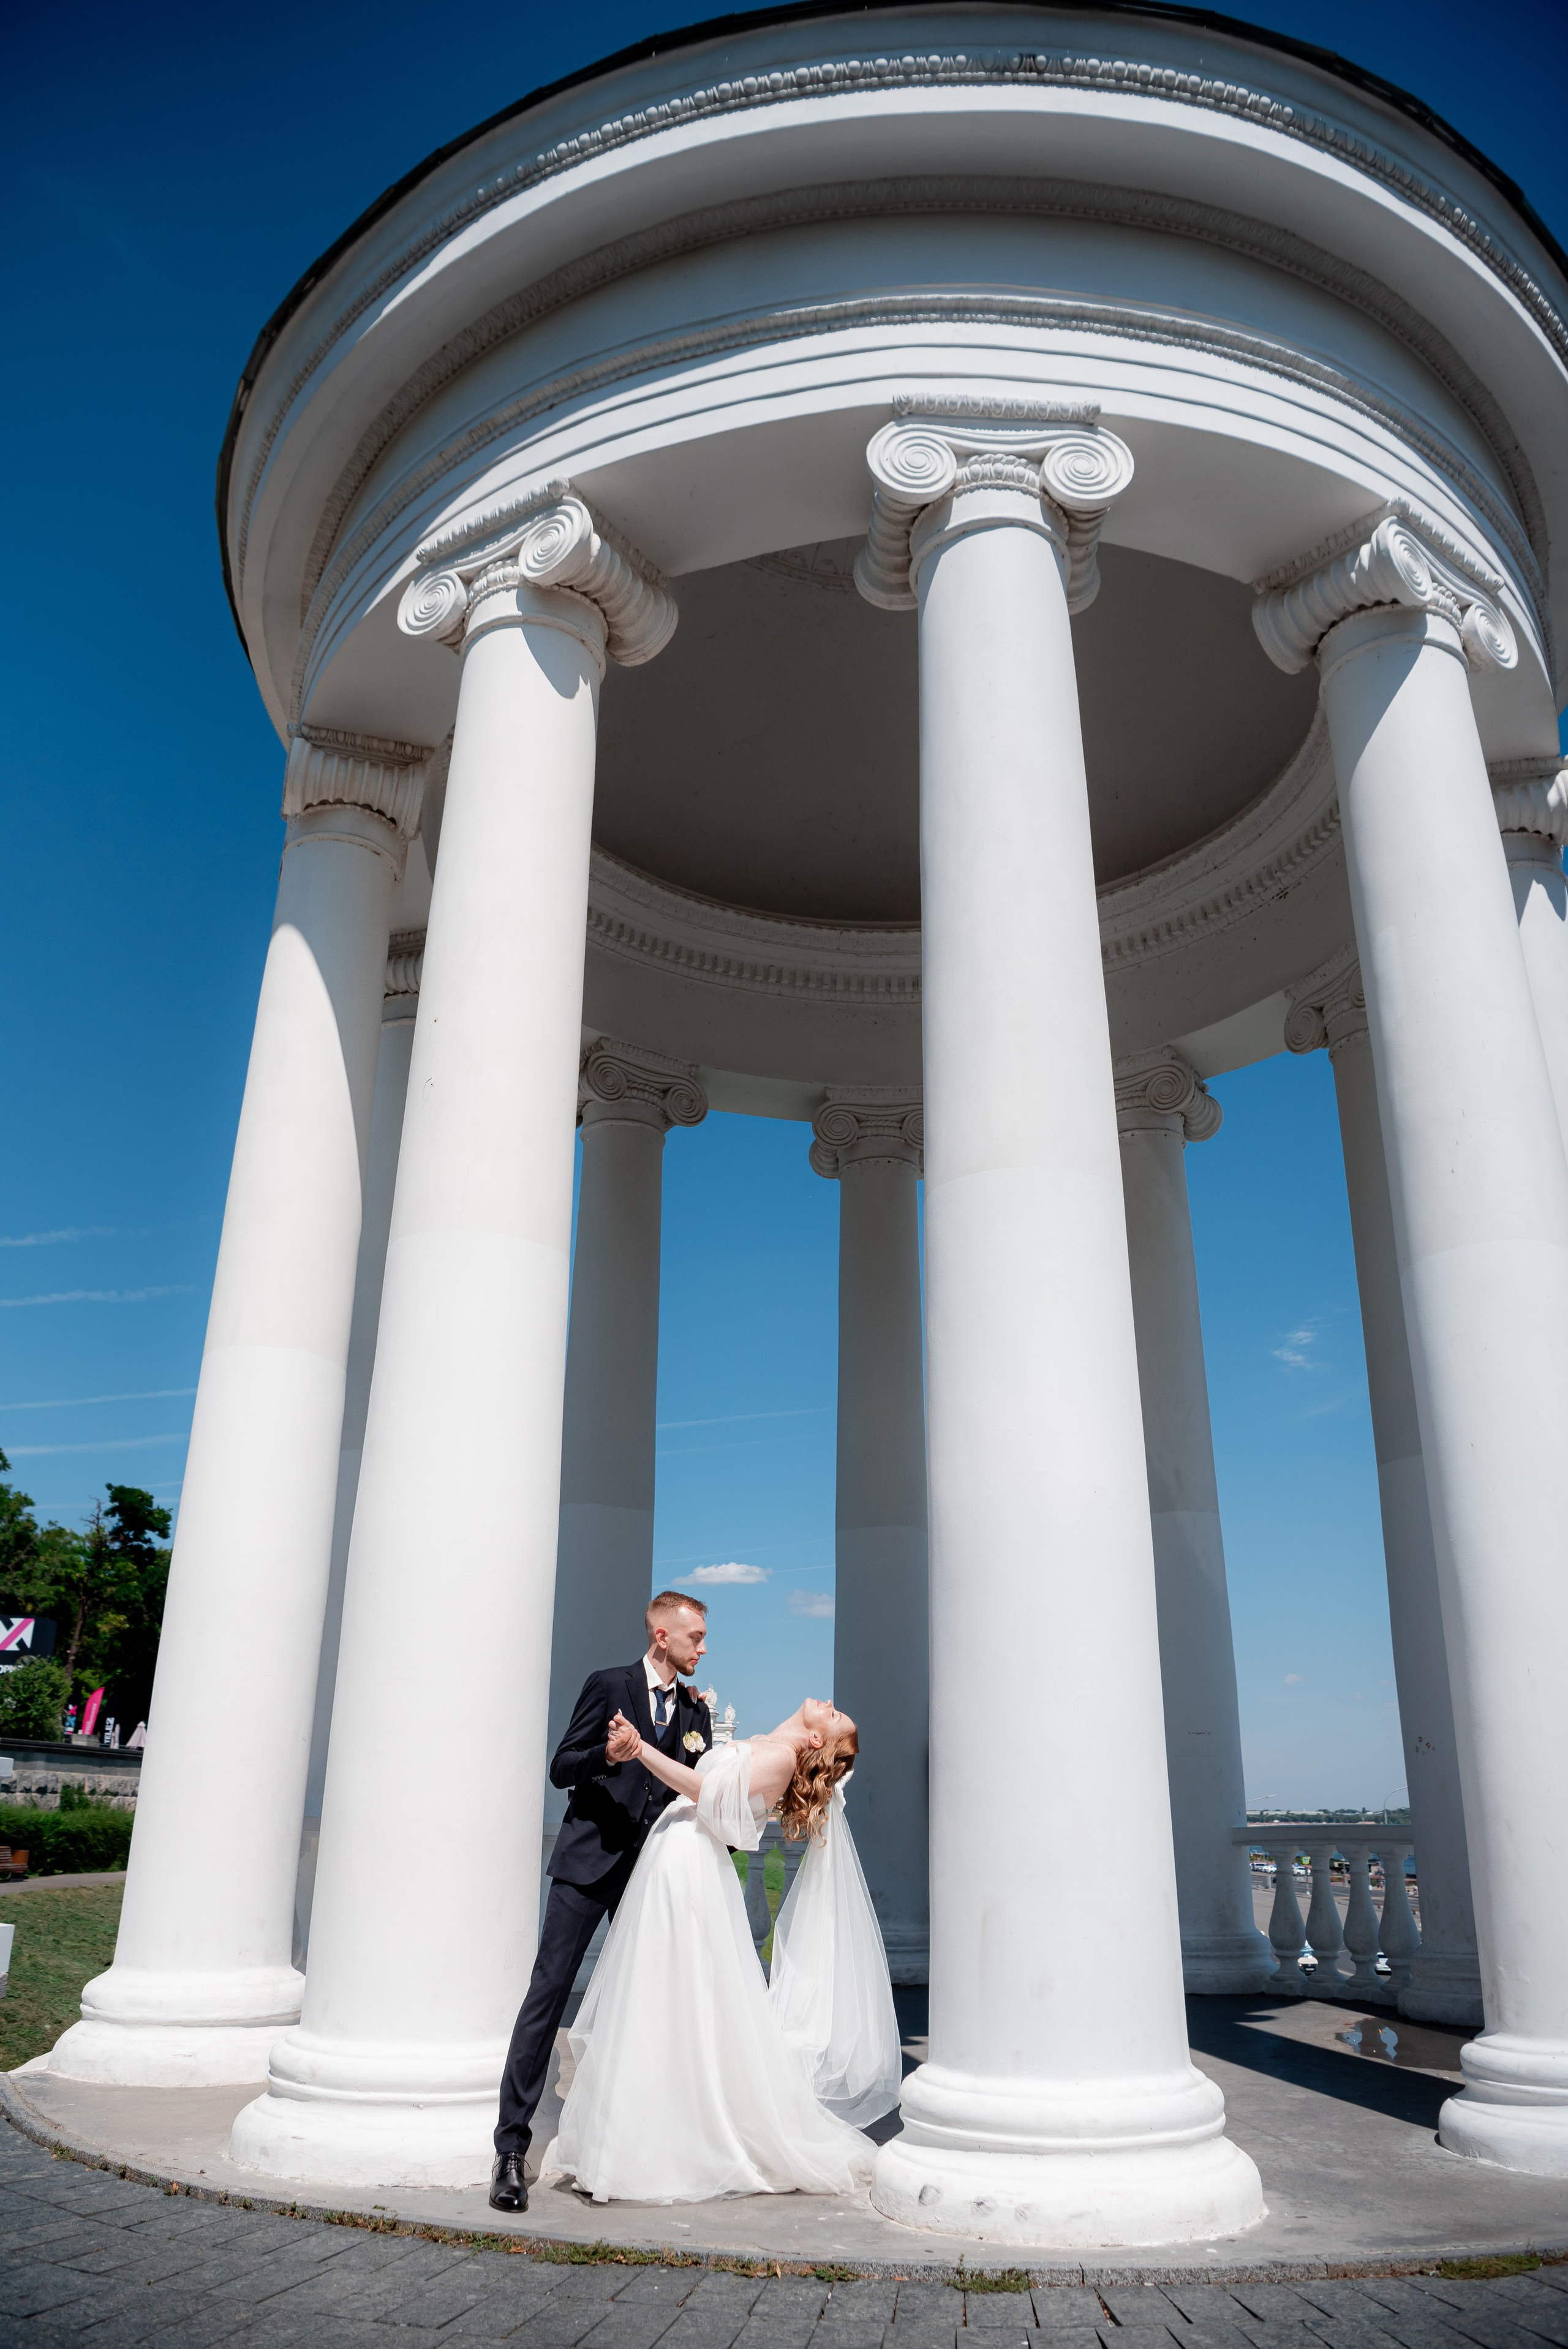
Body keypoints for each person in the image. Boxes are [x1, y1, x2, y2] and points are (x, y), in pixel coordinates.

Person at [541, 1694, 901, 2204]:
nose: (830, 1703)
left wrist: (642, 1750)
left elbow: (708, 1792)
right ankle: (639, 2133)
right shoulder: (764, 1744)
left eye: (837, 1714)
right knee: (658, 1997)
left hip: (689, 1864)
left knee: (675, 1997)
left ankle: (661, 2144)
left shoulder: (779, 1758)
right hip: (672, 1855)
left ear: (818, 1739)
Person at [489, 1591, 714, 2212]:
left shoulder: (697, 1711)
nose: (703, 1646)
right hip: (587, 1866)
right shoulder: (608, 1684)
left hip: (649, 1876)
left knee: (648, 2004)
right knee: (548, 1993)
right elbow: (562, 1765)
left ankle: (625, 2146)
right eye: (695, 1636)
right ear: (662, 1636)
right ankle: (511, 2148)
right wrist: (604, 1755)